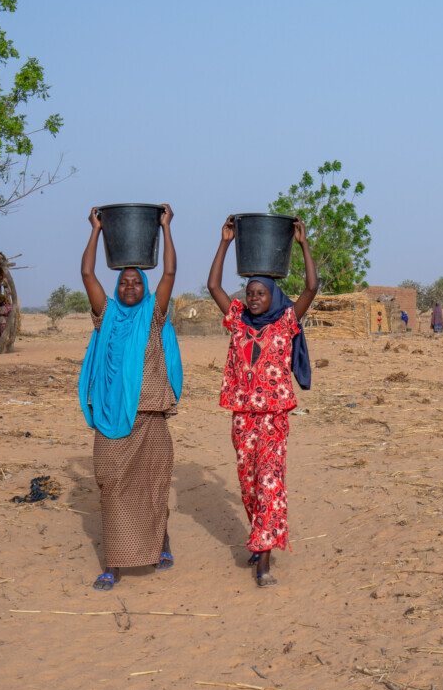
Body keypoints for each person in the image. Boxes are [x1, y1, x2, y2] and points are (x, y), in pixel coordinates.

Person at [207, 216, 318, 586]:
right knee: (249, 484)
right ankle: (260, 536)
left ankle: (264, 561)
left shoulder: (285, 322)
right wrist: (225, 242)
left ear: (273, 296)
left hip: (273, 419)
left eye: (260, 293)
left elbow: (312, 288)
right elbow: (213, 285)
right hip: (242, 418)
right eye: (249, 293)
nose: (253, 298)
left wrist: (302, 244)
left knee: (270, 481)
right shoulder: (237, 321)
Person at [78, 205, 182, 591]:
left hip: (151, 417)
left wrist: (166, 228)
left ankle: (162, 542)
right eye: (124, 283)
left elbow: (169, 272)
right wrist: (95, 230)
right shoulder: (105, 315)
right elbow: (88, 273)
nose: (130, 288)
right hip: (111, 419)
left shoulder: (154, 316)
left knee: (153, 485)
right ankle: (114, 563)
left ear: (145, 288)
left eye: (136, 283)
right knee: (110, 484)